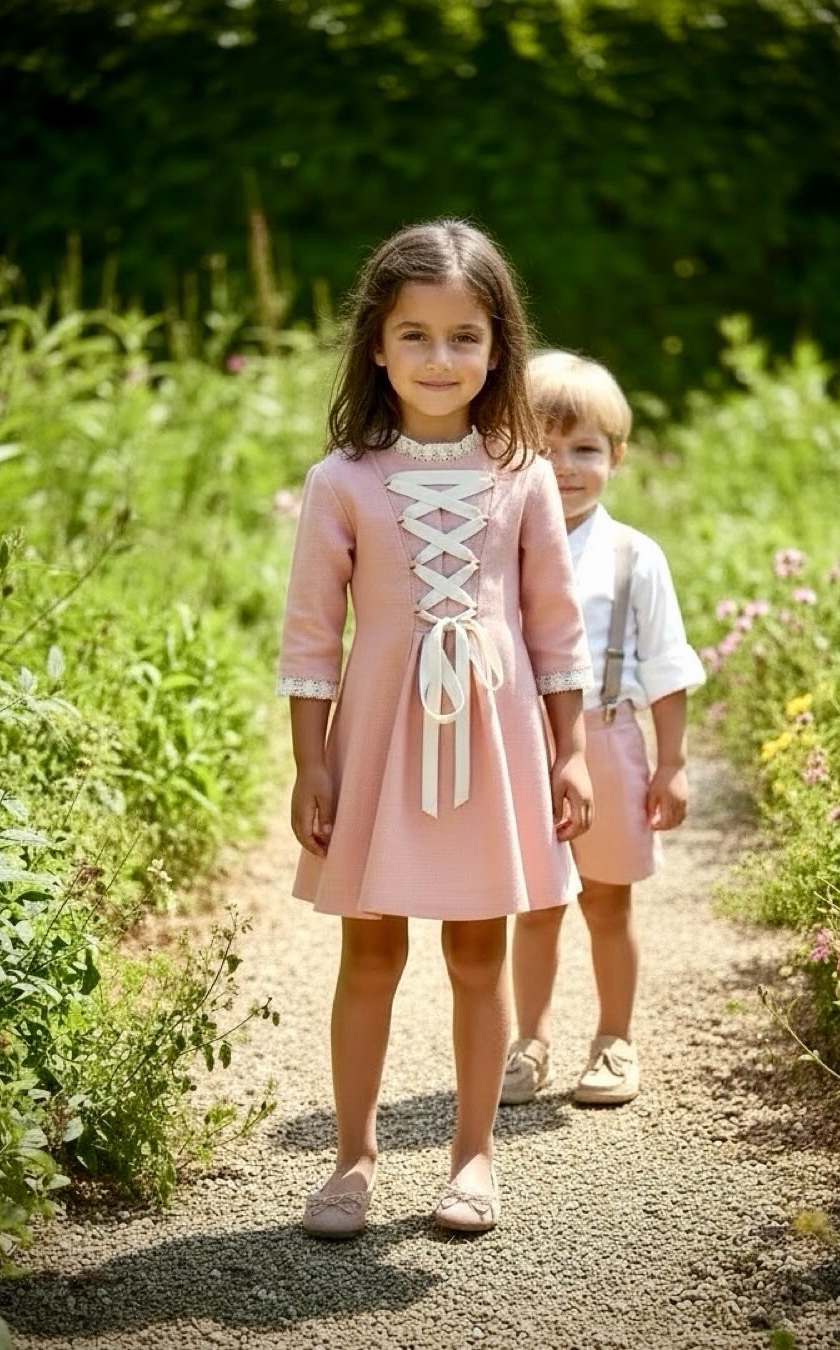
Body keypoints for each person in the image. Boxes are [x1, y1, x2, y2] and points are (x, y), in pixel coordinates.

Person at [276, 223, 594, 1237]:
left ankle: (472, 1159)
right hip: (378, 741)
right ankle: (355, 1159)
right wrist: (310, 763)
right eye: (415, 335)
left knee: (475, 956)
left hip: (493, 741)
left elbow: (554, 624)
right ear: (376, 344)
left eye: (465, 336)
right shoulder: (344, 481)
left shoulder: (523, 474)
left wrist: (573, 748)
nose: (440, 359)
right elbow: (312, 636)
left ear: (499, 348)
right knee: (368, 956)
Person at [502, 350, 705, 1109]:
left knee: (608, 902)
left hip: (611, 742)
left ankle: (615, 1040)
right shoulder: (506, 546)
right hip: (527, 747)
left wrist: (673, 763)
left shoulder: (633, 556)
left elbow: (667, 665)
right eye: (543, 449)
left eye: (583, 449)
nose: (563, 468)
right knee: (536, 904)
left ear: (616, 455)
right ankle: (530, 1039)